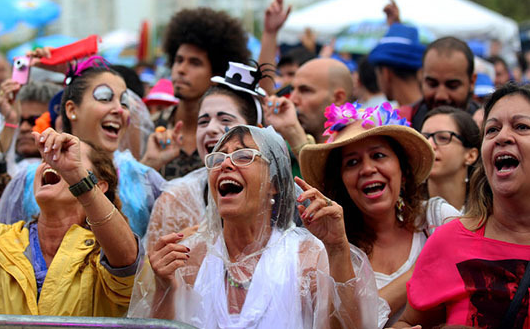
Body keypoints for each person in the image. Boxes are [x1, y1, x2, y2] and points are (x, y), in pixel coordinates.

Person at [0, 79, 141, 315]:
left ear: (99, 185)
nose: (54, 161)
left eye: (67, 154)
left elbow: (128, 266)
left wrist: (78, 178)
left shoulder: (102, 253)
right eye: (48, 158)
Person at [129, 124, 387, 328]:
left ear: (274, 183)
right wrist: (164, 289)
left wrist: (338, 249)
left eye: (244, 156)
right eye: (218, 158)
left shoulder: (307, 258)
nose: (226, 164)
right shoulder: (187, 259)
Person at [299, 102, 459, 325]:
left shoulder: (437, 219)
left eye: (379, 155)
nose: (367, 169)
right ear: (342, 182)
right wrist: (423, 268)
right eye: (352, 162)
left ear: (403, 172)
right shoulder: (329, 251)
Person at [394, 82, 530, 328]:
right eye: (492, 130)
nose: (502, 137)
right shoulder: (449, 240)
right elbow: (407, 323)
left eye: (521, 127)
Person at [0, 56, 163, 238]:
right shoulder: (30, 180)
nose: (119, 110)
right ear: (71, 110)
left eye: (124, 102)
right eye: (104, 98)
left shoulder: (146, 181)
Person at [144, 61, 266, 251]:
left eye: (225, 119)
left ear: (258, 133)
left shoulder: (275, 193)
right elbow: (150, 275)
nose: (210, 129)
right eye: (203, 121)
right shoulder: (174, 200)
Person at [141, 7, 250, 180]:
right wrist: (149, 163)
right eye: (178, 60)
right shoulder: (150, 128)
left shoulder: (231, 135)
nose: (181, 70)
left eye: (195, 63)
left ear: (217, 74)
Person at [412, 37, 479, 131]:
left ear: (472, 81)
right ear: (421, 77)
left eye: (452, 86)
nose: (441, 96)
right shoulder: (405, 124)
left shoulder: (486, 128)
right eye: (432, 84)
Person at [420, 106, 480, 212]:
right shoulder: (406, 214)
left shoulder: (489, 214)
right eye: (423, 138)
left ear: (471, 155)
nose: (429, 145)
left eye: (443, 138)